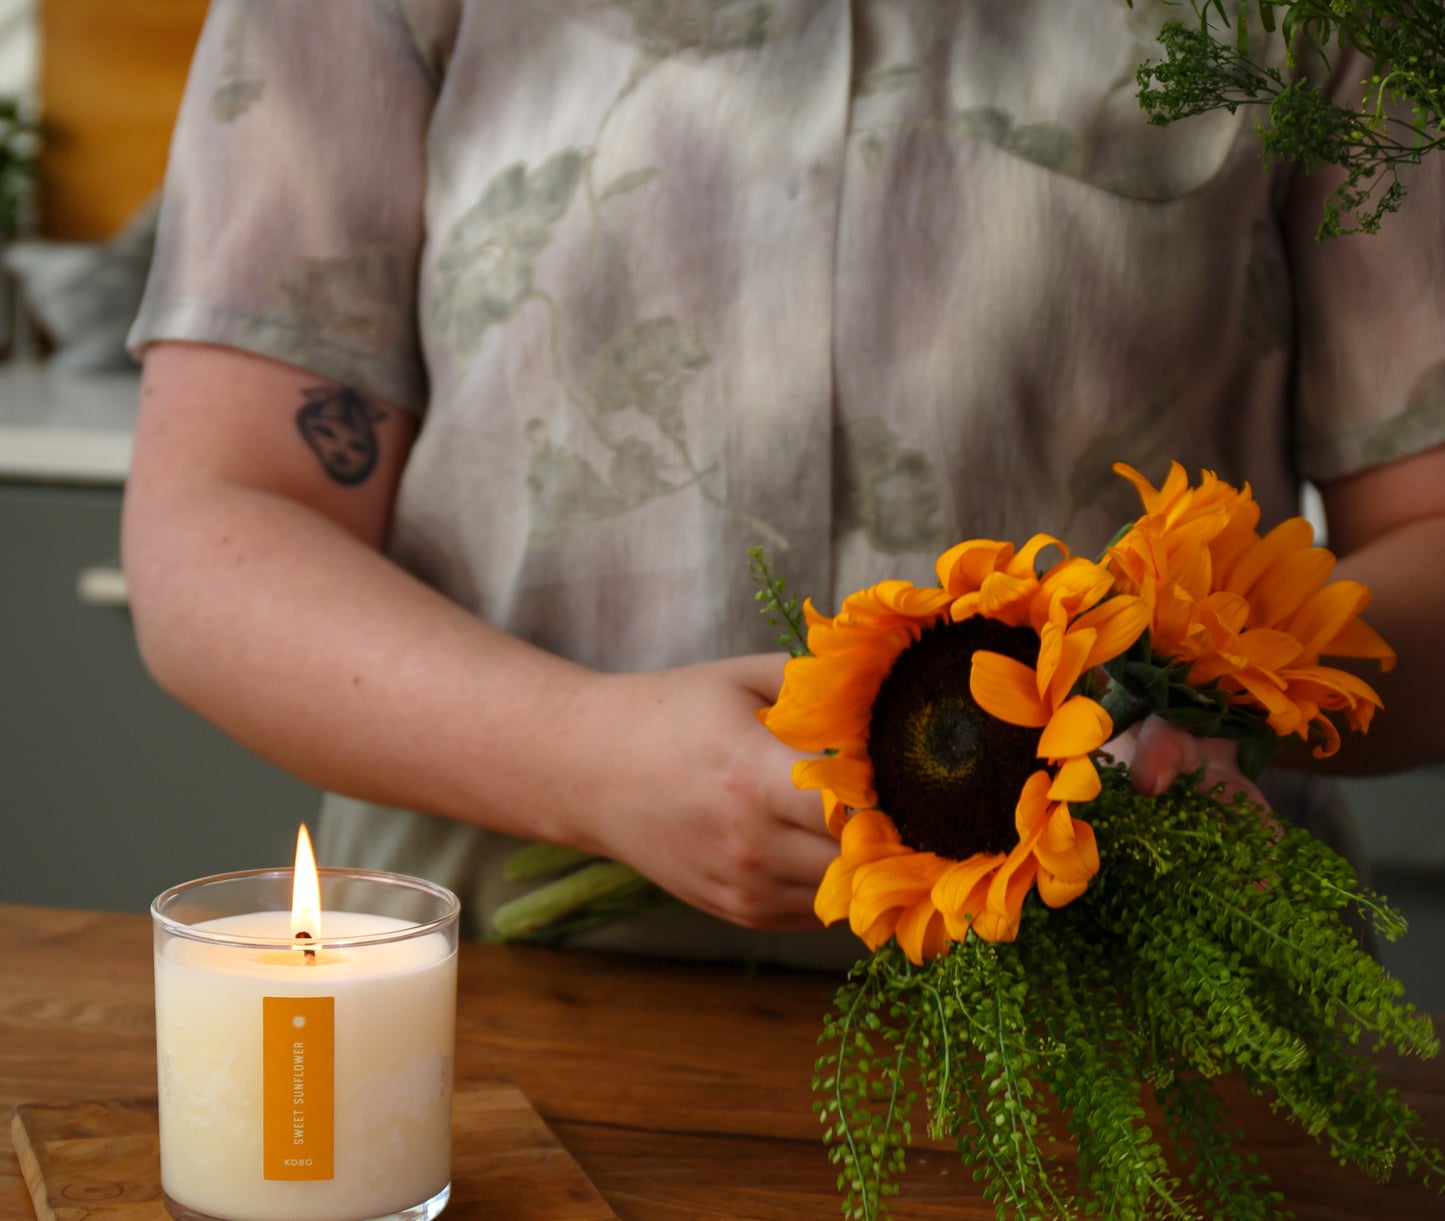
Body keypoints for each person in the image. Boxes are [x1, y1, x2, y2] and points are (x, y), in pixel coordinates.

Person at [121, 0, 1445, 964]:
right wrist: (585, 758)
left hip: (1158, 1012)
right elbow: (220, 522)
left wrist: (1203, 690)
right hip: (503, 1009)